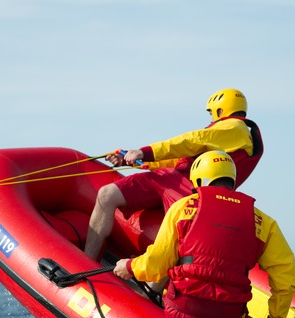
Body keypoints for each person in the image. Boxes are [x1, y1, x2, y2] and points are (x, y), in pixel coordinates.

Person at [113, 151, 295, 318]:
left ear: (199, 180)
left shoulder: (183, 208)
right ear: (232, 180)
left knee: (161, 293)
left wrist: (130, 267)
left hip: (182, 314)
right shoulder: (263, 222)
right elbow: (286, 279)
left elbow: (157, 263)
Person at [85, 88, 264, 260]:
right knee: (107, 194)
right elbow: (181, 158)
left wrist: (145, 151)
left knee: (174, 237)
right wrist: (137, 161)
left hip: (191, 189)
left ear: (220, 110)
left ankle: (150, 287)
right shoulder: (228, 135)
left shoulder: (234, 128)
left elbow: (192, 140)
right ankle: (87, 263)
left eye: (211, 113)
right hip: (171, 178)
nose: (210, 117)